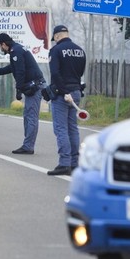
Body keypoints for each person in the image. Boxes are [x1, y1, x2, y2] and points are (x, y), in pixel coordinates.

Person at [0, 33, 46, 155]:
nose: (0, 49)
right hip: (32, 85)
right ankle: (27, 145)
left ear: (4, 44)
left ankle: (28, 147)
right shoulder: (16, 50)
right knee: (28, 116)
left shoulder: (16, 51)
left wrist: (18, 89)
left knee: (31, 117)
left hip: (35, 86)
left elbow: (20, 71)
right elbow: (12, 68)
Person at [46, 25, 86, 176]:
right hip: (76, 92)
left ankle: (64, 164)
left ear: (57, 36)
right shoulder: (80, 50)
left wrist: (63, 92)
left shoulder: (56, 50)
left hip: (62, 94)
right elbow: (80, 72)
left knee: (61, 129)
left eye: (54, 38)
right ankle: (75, 163)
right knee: (72, 128)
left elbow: (55, 73)